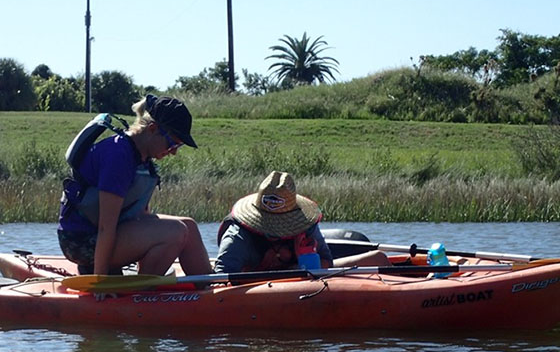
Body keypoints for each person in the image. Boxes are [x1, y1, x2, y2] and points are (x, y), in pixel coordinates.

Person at [58, 94, 212, 277]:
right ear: (153, 129)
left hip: (105, 233)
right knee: (176, 232)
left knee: (189, 226)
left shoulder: (143, 157)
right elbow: (106, 227)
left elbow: (138, 216)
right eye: (172, 144)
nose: (173, 153)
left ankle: (213, 290)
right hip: (80, 241)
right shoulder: (119, 156)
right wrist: (101, 280)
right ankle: (141, 291)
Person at [214, 170, 390, 273]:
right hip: (257, 286)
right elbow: (221, 280)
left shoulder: (306, 227)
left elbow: (327, 262)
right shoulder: (238, 238)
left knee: (378, 258)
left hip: (305, 274)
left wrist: (304, 260)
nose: (278, 230)